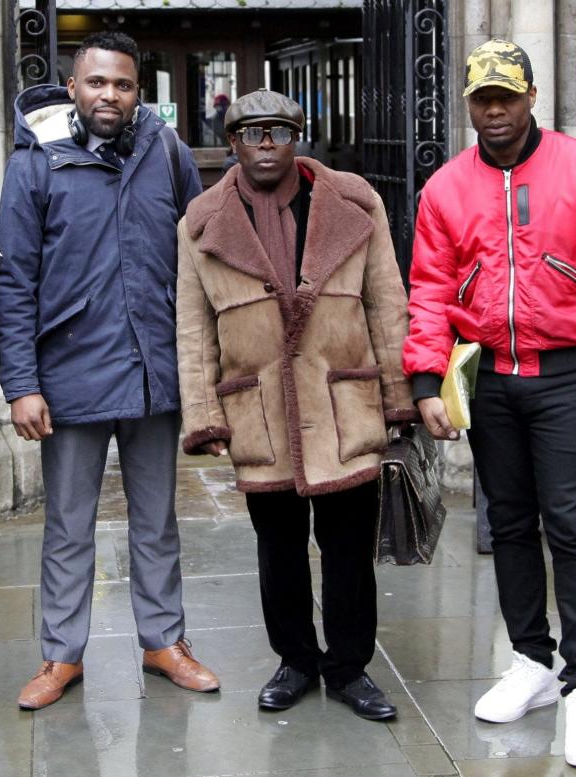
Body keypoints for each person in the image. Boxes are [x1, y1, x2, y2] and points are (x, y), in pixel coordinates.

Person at [403, 40, 576, 768]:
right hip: (489, 379)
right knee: (508, 523)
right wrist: (427, 381)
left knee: (574, 528)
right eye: (482, 99)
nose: (493, 112)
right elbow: (428, 289)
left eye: (505, 97)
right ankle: (532, 660)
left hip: (565, 374)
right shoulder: (446, 188)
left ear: (531, 96)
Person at [0, 31, 219, 710]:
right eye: (97, 83)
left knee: (157, 519)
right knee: (68, 523)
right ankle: (61, 654)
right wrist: (22, 383)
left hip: (153, 371)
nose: (109, 96)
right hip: (69, 376)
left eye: (122, 85)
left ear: (137, 92)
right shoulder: (36, 162)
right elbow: (13, 282)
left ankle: (164, 640)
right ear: (73, 88)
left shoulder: (167, 151)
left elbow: (197, 252)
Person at [175, 89, 418, 721]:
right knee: (277, 550)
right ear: (230, 143)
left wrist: (399, 398)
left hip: (344, 400)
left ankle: (349, 667)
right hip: (258, 410)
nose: (264, 144)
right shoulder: (200, 222)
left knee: (347, 550)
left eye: (278, 131)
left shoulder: (355, 202)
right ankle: (295, 660)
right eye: (249, 132)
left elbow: (387, 303)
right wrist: (204, 412)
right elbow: (193, 327)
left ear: (298, 137)